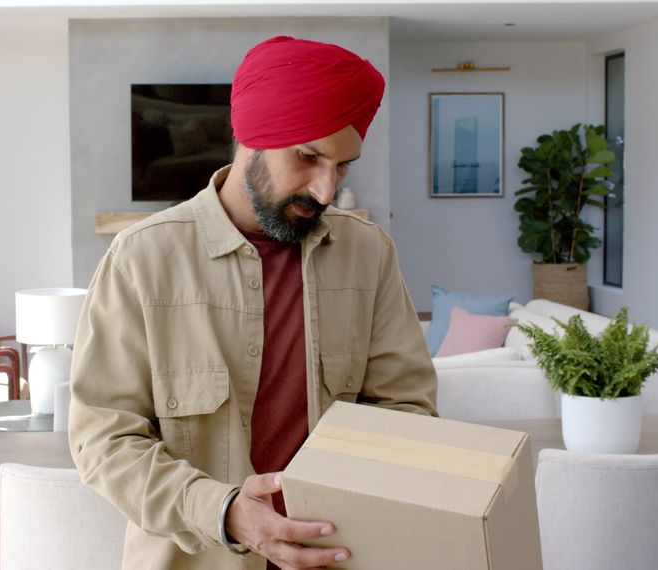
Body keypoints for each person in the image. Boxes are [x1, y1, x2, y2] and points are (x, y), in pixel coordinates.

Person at [69, 36, 437, 570]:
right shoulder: (141, 258)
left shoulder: (369, 253)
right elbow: (104, 439)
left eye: (343, 166)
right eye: (309, 157)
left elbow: (409, 410)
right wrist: (223, 512)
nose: (326, 190)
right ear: (251, 139)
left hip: (343, 555)